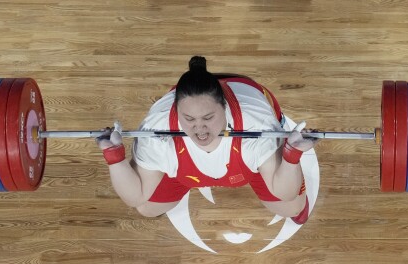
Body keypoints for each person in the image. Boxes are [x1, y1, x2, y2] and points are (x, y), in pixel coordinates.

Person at [97, 56, 315, 224]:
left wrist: (291, 155)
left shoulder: (256, 126)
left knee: (291, 205)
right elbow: (134, 196)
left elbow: (284, 191)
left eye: (208, 118)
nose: (199, 128)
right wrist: (114, 156)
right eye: (189, 119)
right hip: (189, 170)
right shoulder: (158, 129)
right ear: (177, 110)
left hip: (249, 127)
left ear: (224, 107)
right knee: (145, 208)